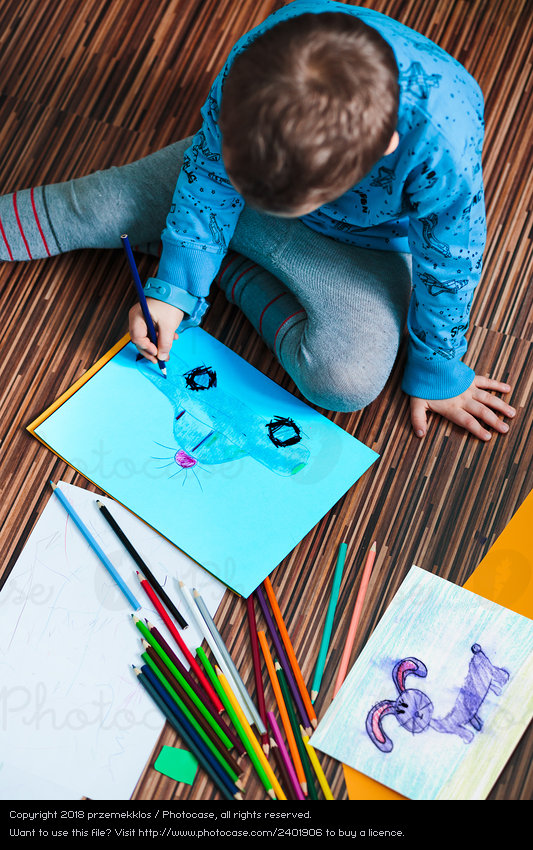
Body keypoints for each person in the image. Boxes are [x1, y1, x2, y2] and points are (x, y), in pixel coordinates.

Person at [0, 1, 515, 439]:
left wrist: (438, 368)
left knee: (346, 380)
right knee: (92, 206)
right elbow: (208, 174)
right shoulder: (259, 58)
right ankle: (209, 256)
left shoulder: (444, 142)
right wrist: (173, 290)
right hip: (219, 193)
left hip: (363, 244)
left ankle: (224, 266)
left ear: (383, 148)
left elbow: (451, 262)